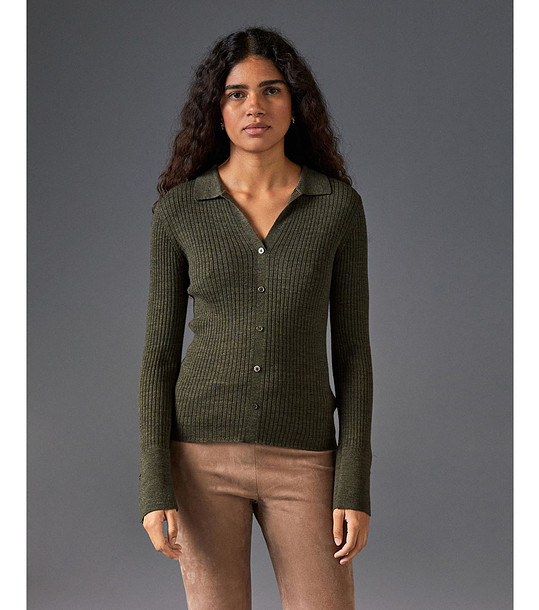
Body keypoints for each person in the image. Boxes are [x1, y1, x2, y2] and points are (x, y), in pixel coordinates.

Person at [138, 26, 374, 610]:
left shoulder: (336, 207)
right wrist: (153, 485)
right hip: (200, 459)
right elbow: (158, 356)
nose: (254, 107)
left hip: (305, 459)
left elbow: (353, 354)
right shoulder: (180, 210)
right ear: (217, 111)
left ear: (295, 105)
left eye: (271, 90)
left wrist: (353, 482)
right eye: (236, 93)